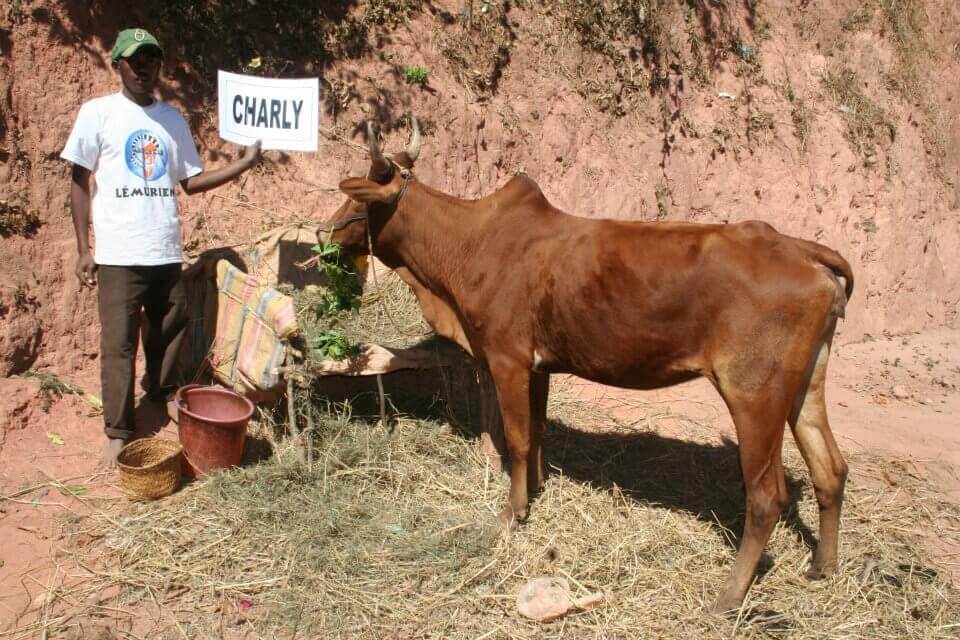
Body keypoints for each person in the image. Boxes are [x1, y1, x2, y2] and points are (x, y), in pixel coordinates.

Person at [61, 28, 262, 464]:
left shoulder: (171, 119)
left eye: (150, 60)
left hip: (165, 250)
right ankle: (118, 429)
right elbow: (79, 181)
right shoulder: (98, 114)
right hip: (117, 255)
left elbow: (190, 182)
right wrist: (83, 248)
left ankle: (161, 392)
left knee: (170, 329)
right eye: (134, 60)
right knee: (118, 344)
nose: (143, 68)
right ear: (117, 64)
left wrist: (242, 164)